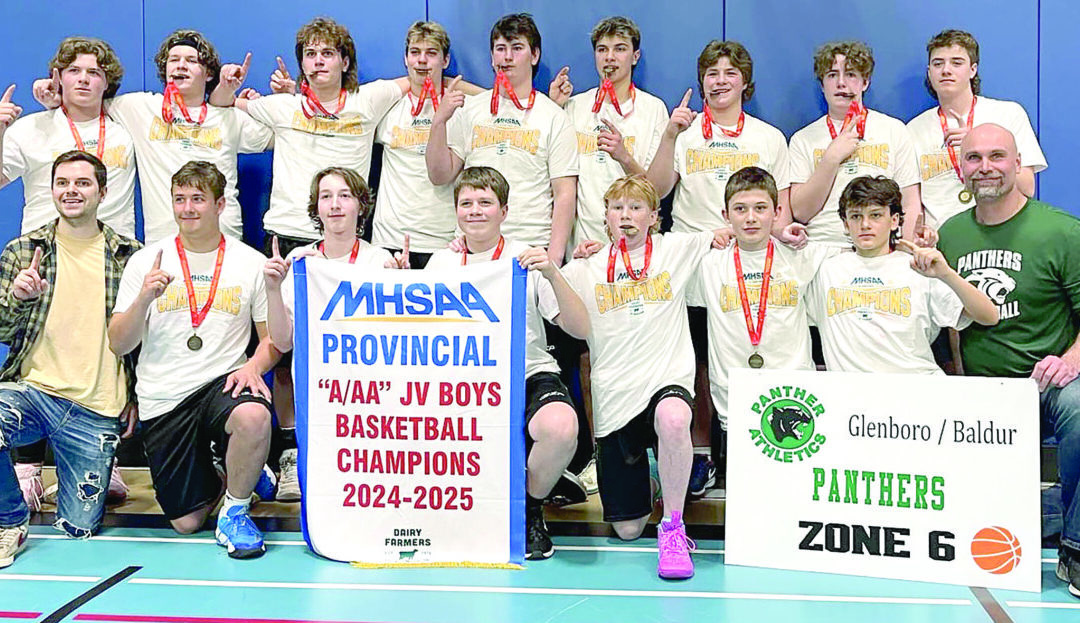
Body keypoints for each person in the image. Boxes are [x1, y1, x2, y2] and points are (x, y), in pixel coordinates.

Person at [937, 123, 1080, 598]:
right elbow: (949, 322)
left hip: (1049, 385)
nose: (985, 168)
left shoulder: (1060, 230)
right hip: (984, 391)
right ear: (962, 168)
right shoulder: (950, 236)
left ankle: (1075, 548)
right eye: (974, 158)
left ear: (1018, 165)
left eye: (997, 157)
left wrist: (1072, 359)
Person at [418, 166, 588, 560]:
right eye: (466, 204)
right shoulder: (441, 264)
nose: (475, 211)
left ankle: (528, 508)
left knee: (561, 428)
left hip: (525, 371)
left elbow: (579, 329)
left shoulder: (525, 258)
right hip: (460, 381)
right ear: (456, 211)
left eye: (485, 203)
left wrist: (552, 271)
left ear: (504, 211)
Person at [108, 161, 276, 559]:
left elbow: (272, 342)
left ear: (220, 205)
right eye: (180, 199)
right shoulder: (145, 262)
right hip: (164, 395)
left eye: (198, 199)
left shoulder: (249, 262)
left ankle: (235, 512)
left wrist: (253, 365)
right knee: (187, 523)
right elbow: (118, 342)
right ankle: (245, 474)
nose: (187, 208)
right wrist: (145, 297)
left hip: (224, 382)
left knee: (253, 416)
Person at [561, 174, 725, 579]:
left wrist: (789, 233)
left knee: (674, 418)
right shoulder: (586, 266)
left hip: (665, 380)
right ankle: (654, 479)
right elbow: (545, 296)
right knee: (628, 530)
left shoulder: (676, 249)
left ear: (654, 216)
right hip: (616, 397)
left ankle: (673, 526)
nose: (626, 216)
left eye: (636, 208)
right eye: (618, 208)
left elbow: (736, 229)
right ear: (605, 219)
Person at [0, 151, 139, 567]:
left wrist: (135, 395)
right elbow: (2, 331)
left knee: (79, 529)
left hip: (96, 411)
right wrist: (18, 299)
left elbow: (143, 341)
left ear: (103, 192)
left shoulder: (130, 255)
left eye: (82, 183)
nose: (71, 191)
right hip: (34, 394)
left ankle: (79, 478)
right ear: (52, 190)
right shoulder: (24, 251)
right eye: (62, 183)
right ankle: (9, 520)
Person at [32, 30, 273, 242]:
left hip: (224, 236)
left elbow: (277, 137)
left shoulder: (228, 117)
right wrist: (56, 99)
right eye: (173, 60)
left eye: (191, 61)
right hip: (164, 243)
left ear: (209, 73)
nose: (180, 66)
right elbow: (87, 99)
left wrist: (243, 103)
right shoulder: (140, 108)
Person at [264, 167, 393, 501]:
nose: (335, 205)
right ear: (316, 208)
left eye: (344, 196)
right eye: (326, 197)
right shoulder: (301, 261)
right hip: (320, 393)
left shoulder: (380, 261)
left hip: (371, 394)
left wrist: (402, 288)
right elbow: (282, 341)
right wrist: (274, 289)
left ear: (361, 206)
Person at [230, 17, 410, 255]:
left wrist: (476, 95)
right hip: (285, 234)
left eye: (327, 53)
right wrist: (233, 88)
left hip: (343, 238)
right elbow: (223, 103)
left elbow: (421, 79)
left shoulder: (368, 100)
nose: (318, 61)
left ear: (344, 63)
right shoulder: (283, 105)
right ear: (302, 65)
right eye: (310, 54)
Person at [426, 13, 578, 265]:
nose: (507, 57)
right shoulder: (470, 110)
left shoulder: (554, 116)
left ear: (535, 55)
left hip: (530, 245)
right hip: (474, 246)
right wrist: (439, 121)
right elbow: (440, 175)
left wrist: (554, 256)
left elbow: (564, 192)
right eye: (500, 49)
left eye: (517, 48)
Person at [808, 175, 997, 373]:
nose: (865, 225)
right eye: (856, 216)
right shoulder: (826, 271)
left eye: (875, 215)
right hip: (854, 397)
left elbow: (989, 316)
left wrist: (946, 274)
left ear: (894, 220)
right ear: (845, 224)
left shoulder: (918, 267)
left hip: (916, 389)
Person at [689, 166, 829, 431]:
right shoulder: (708, 264)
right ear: (725, 215)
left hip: (794, 393)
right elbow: (656, 256)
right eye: (740, 209)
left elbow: (861, 253)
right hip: (733, 398)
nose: (750, 218)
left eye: (761, 208)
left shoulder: (800, 255)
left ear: (777, 213)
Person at [370, 21, 485, 269]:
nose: (422, 61)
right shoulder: (387, 105)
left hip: (441, 242)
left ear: (445, 61)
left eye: (431, 53)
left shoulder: (462, 109)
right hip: (389, 240)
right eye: (415, 52)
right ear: (406, 58)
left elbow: (442, 175)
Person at [647, 40, 792, 235]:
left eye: (730, 73)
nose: (720, 81)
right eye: (712, 74)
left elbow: (781, 212)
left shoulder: (770, 137)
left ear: (745, 82)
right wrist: (670, 136)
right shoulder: (682, 131)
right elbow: (655, 192)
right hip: (692, 248)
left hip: (748, 248)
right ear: (703, 82)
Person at [907, 29, 1046, 228]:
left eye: (956, 63)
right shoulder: (914, 129)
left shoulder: (1007, 114)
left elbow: (1028, 187)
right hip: (942, 240)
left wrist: (978, 146)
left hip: (1001, 233)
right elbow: (912, 203)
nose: (946, 70)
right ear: (929, 72)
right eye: (938, 63)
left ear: (972, 70)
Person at [789, 41, 922, 248]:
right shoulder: (803, 139)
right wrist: (830, 160)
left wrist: (907, 248)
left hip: (882, 249)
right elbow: (800, 212)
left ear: (865, 82)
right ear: (822, 85)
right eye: (832, 75)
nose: (842, 83)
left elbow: (910, 202)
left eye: (851, 74)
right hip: (823, 246)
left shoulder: (894, 130)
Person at [550, 16, 668, 247]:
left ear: (635, 57)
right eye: (602, 49)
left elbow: (656, 189)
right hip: (582, 247)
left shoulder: (654, 109)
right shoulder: (574, 106)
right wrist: (554, 107)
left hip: (635, 245)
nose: (609, 57)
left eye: (620, 49)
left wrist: (624, 156)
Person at [1, 37, 136, 238]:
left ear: (107, 82)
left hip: (112, 253)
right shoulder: (31, 128)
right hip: (46, 250)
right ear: (59, 79)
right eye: (74, 71)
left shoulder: (127, 126)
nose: (83, 79)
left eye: (94, 72)